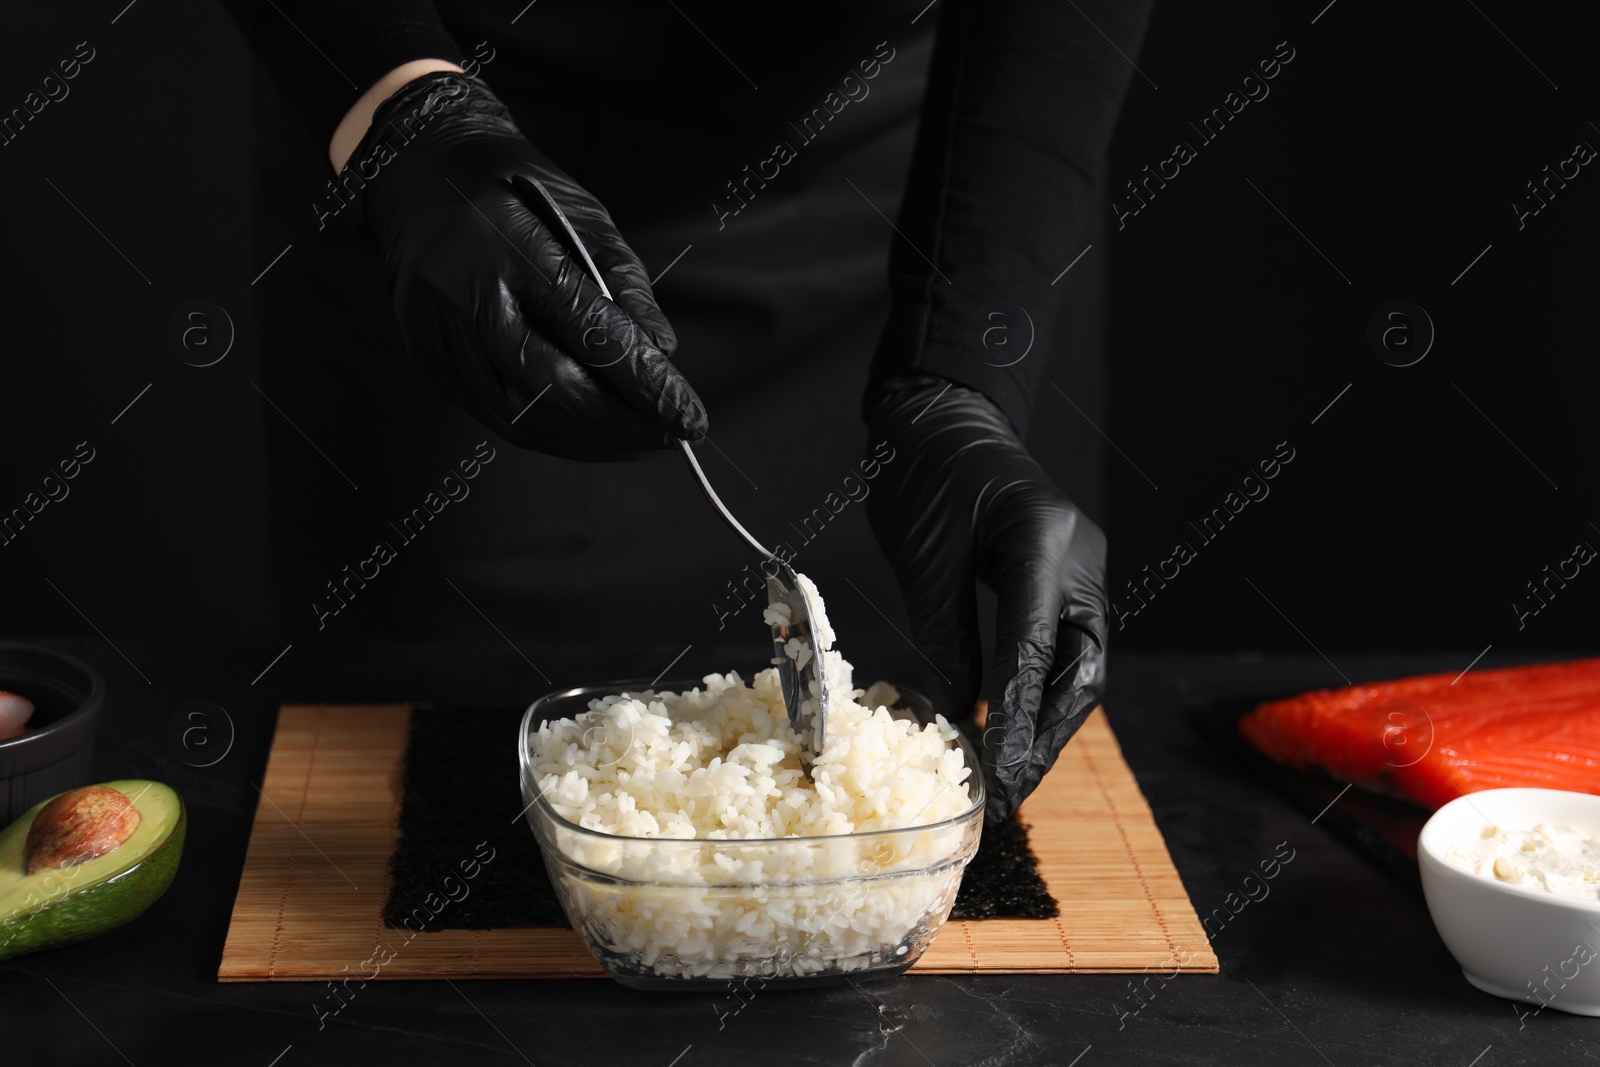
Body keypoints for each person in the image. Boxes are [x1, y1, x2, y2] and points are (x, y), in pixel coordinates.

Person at [223, 0, 1152, 822]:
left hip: (926, 191)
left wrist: (962, 380)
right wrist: (406, 111)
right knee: (434, 797)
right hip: (450, 187)